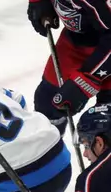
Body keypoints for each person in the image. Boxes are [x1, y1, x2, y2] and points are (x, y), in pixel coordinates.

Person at [28, 0, 111, 135]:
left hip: (106, 48)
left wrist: (88, 78)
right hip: (77, 43)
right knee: (48, 103)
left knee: (106, 125)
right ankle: (50, 151)